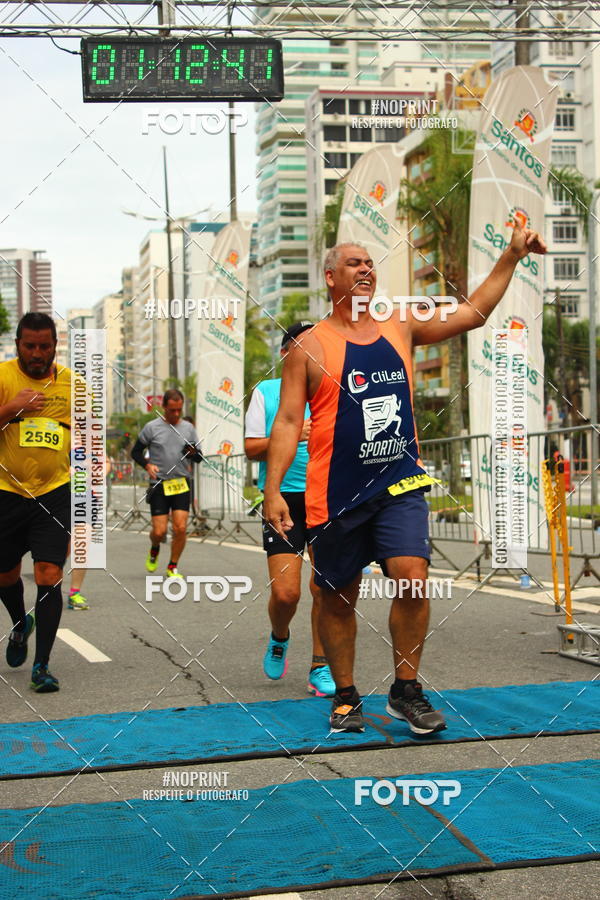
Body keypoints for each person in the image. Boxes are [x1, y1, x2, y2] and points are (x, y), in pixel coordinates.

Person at [264, 226, 546, 733]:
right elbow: (287, 423)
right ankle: (346, 695)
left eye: (370, 262)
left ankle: (406, 690)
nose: (366, 269)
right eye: (354, 263)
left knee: (412, 577)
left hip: (400, 484)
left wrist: (511, 255)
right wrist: (272, 491)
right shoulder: (308, 347)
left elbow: (472, 312)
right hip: (335, 494)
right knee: (336, 596)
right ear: (331, 277)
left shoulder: (399, 326)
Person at [245, 321, 335, 698]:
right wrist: (294, 435)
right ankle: (279, 636)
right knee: (286, 595)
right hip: (284, 497)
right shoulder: (266, 392)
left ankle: (320, 665)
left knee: (325, 588)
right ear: (286, 354)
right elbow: (251, 448)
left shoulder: (333, 390)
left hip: (327, 497)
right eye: (305, 347)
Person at [0, 312, 73, 692]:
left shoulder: (72, 385)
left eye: (45, 346)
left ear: (55, 346)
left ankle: (41, 666)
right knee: (5, 575)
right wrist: (12, 409)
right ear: (18, 345)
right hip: (6, 493)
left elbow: (89, 436)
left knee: (49, 574)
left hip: (54, 493)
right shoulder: (3, 377)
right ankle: (18, 623)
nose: (37, 353)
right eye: (30, 346)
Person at [131, 389, 202, 578]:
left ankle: (172, 566)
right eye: (172, 410)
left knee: (180, 528)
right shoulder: (151, 428)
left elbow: (199, 459)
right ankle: (154, 548)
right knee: (159, 531)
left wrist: (194, 453)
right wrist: (147, 465)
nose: (176, 414)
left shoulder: (189, 429)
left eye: (179, 410)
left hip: (181, 484)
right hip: (159, 484)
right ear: (164, 408)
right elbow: (135, 452)